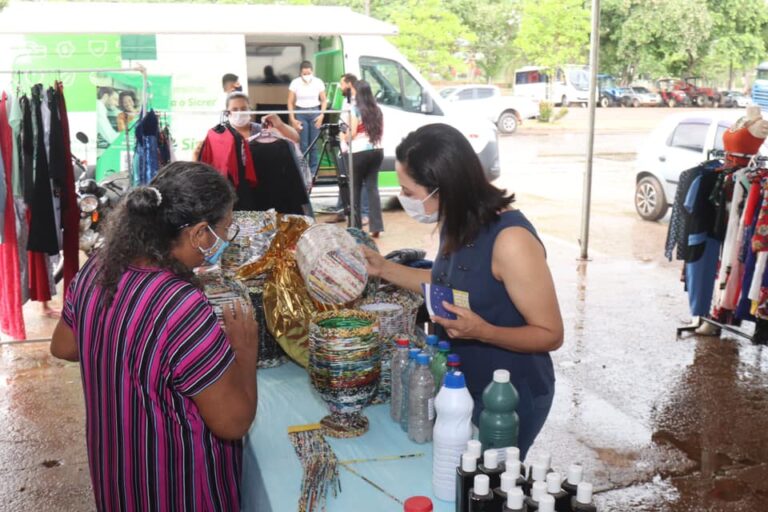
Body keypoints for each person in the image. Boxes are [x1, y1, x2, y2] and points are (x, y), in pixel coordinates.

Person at [50, 161, 259, 511]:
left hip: (119, 476)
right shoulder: (181, 304)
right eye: (226, 229)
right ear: (199, 233)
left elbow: (65, 345)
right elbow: (233, 422)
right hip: (178, 489)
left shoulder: (100, 266)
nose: (227, 239)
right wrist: (245, 350)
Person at [361, 124, 563, 459]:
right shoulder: (457, 220)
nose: (404, 200)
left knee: (484, 489)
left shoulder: (510, 241)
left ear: (444, 190)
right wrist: (383, 268)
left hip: (507, 396)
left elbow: (551, 334)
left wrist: (484, 332)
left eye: (410, 193)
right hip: (461, 385)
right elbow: (446, 289)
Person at [344, 80, 383, 237]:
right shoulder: (377, 110)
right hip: (376, 150)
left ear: (358, 93)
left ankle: (355, 227)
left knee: (355, 189)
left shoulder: (355, 110)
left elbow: (352, 133)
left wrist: (343, 136)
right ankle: (376, 226)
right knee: (373, 188)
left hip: (358, 152)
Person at [288, 60, 327, 173]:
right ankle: (303, 171)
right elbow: (290, 102)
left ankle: (314, 171)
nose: (307, 76)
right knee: (303, 144)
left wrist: (321, 115)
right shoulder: (295, 83)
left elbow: (324, 100)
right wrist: (292, 119)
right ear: (300, 73)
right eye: (304, 74)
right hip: (300, 113)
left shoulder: (318, 82)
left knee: (314, 144)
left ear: (312, 72)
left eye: (309, 73)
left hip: (315, 112)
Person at [225, 91, 299, 143]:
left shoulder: (261, 131)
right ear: (227, 112)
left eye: (244, 109)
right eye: (234, 109)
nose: (239, 113)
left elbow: (295, 139)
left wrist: (280, 125)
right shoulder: (221, 134)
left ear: (250, 110)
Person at [96, 86, 119, 150]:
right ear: (106, 96)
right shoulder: (99, 108)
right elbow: (110, 136)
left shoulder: (99, 107)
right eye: (115, 99)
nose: (117, 104)